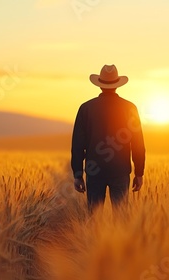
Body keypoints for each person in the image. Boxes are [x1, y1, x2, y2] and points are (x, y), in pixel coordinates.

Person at [71, 64, 146, 212]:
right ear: (117, 84)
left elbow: (78, 144)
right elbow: (138, 144)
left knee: (94, 218)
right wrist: (139, 173)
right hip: (120, 171)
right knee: (121, 218)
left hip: (94, 171)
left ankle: (93, 236)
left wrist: (78, 174)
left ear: (100, 85)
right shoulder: (130, 108)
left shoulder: (86, 108)